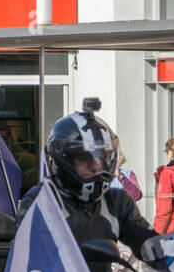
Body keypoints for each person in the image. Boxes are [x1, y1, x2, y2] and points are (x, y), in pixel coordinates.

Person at [18, 100, 157, 262]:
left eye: (102, 157)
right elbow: (26, 259)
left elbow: (149, 244)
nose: (96, 166)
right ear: (64, 159)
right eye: (85, 158)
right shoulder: (41, 200)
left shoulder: (116, 201)